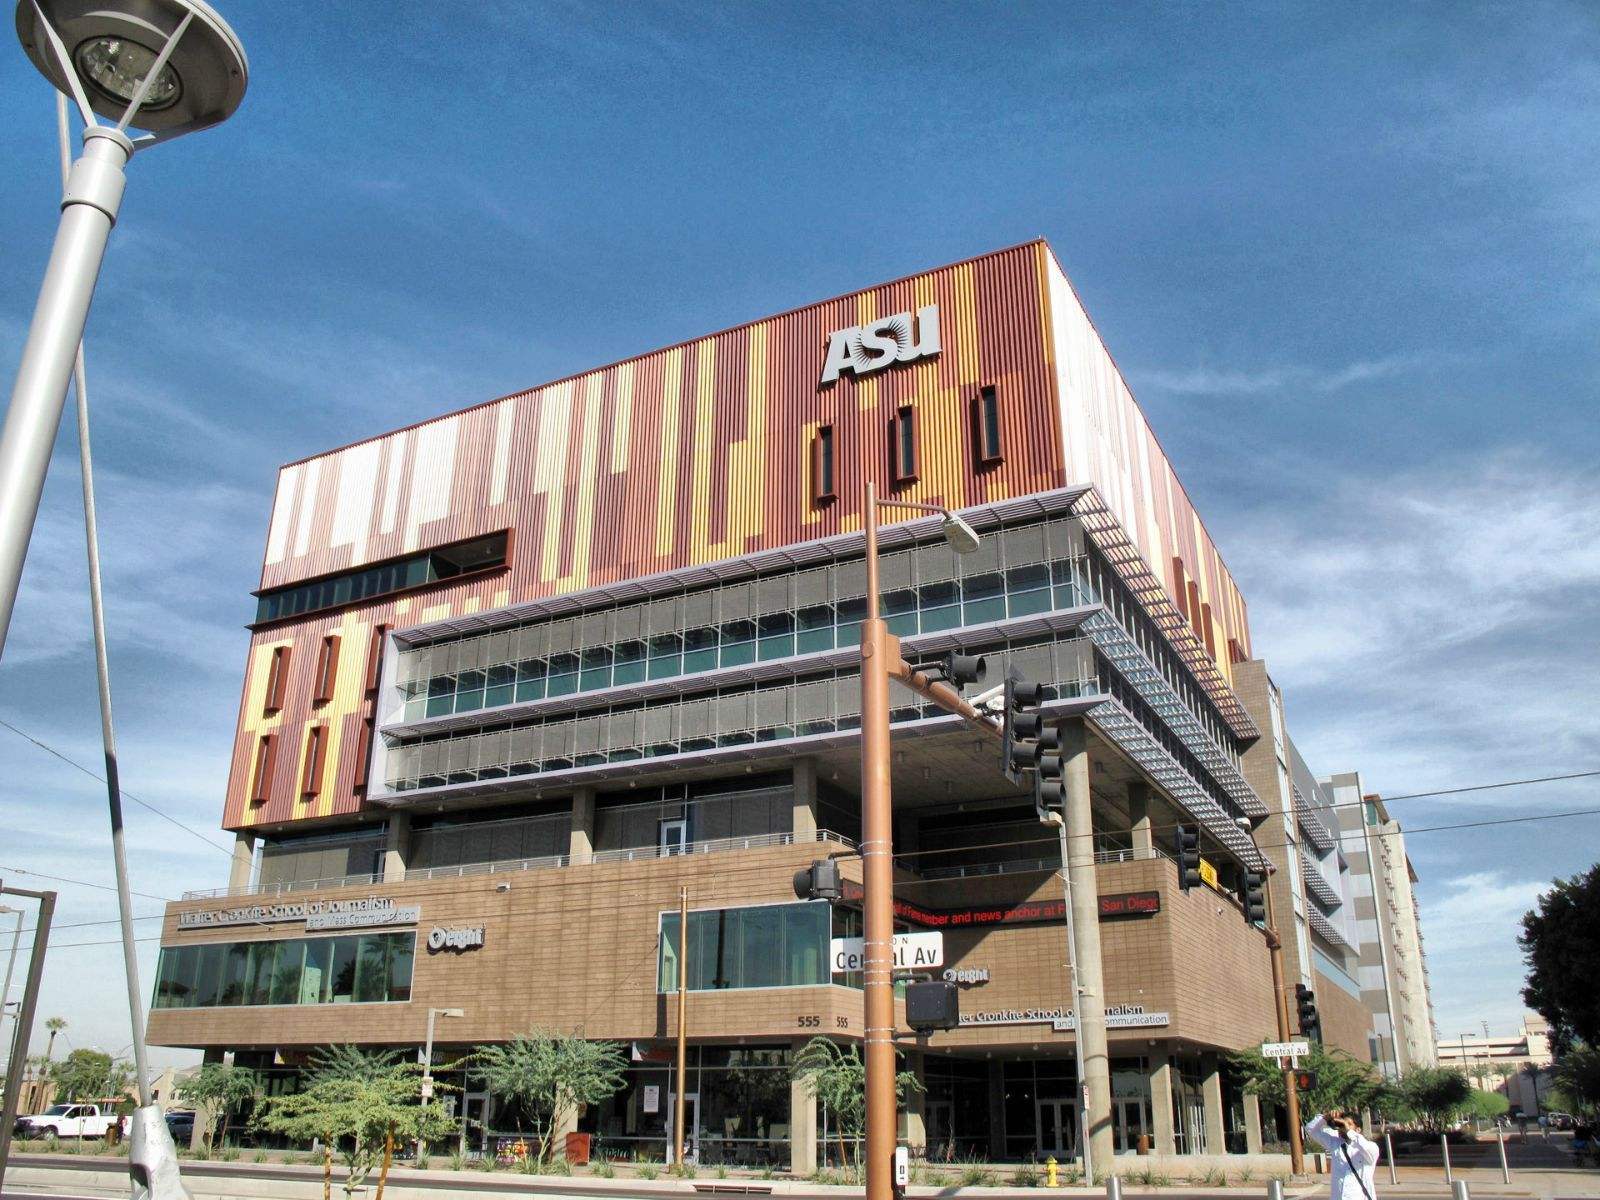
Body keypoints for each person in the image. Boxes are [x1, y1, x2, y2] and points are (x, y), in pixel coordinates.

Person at [1305, 1111, 1381, 1200]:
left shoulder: (1370, 1147)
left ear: (1358, 1130)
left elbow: (1366, 1147)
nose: (1344, 1126)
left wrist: (1349, 1131)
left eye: (1349, 1124)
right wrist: (1326, 1117)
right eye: (1343, 1124)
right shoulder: (1335, 1144)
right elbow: (1311, 1129)